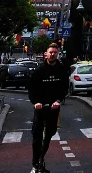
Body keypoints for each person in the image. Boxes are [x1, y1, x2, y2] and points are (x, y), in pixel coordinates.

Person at [27, 43, 72, 173]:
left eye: (55, 52)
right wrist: (35, 102)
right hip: (41, 107)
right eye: (50, 52)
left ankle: (41, 160)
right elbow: (31, 88)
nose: (52, 54)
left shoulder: (61, 69)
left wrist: (59, 101)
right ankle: (35, 163)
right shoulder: (39, 70)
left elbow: (64, 88)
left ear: (57, 54)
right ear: (46, 54)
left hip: (53, 108)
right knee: (37, 135)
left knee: (50, 133)